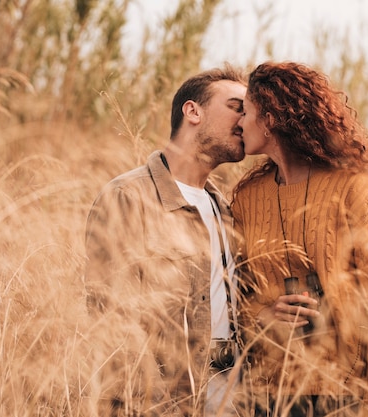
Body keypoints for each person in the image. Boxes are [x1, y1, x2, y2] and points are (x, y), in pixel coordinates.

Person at [231, 61, 368, 417]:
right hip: (274, 394)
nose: (238, 122)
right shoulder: (247, 197)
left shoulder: (353, 188)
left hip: (348, 391)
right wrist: (264, 314)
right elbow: (236, 295)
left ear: (270, 117)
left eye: (245, 112)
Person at [83, 64, 247, 417]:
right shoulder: (129, 197)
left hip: (224, 401)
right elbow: (112, 325)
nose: (245, 120)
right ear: (193, 111)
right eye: (236, 106)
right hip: (163, 405)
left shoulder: (226, 209)